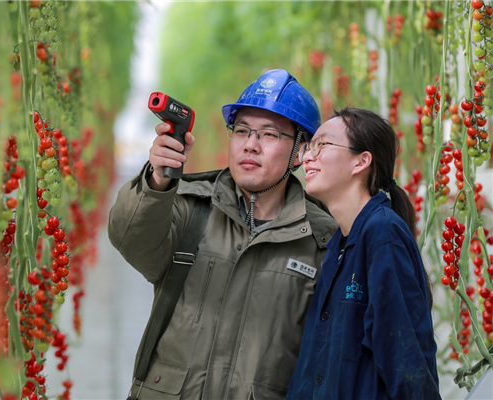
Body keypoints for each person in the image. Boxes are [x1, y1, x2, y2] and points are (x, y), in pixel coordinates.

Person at [108, 69, 338, 399]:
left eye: (269, 135)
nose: (250, 145)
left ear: (301, 152)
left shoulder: (321, 239)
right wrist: (157, 181)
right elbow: (130, 239)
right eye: (242, 130)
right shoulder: (190, 207)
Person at [286, 107, 440, 400]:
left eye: (323, 145)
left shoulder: (383, 234)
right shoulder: (338, 244)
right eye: (308, 147)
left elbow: (405, 359)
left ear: (361, 161)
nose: (307, 157)